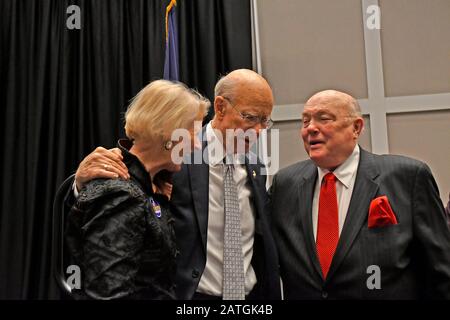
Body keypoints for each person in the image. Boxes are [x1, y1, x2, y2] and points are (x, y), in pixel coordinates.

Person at [63, 69, 281, 300]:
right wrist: (79, 184)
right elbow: (113, 202)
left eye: (265, 121)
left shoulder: (256, 166)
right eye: (250, 117)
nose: (259, 130)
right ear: (220, 107)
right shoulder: (174, 160)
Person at [269, 90, 450, 299]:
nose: (310, 128)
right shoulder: (285, 184)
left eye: (323, 119)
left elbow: (441, 270)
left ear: (356, 127)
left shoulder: (407, 177)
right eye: (305, 121)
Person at [64, 80, 210, 299]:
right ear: (169, 133)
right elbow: (109, 293)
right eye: (192, 133)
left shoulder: (150, 187)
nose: (197, 145)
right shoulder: (122, 194)